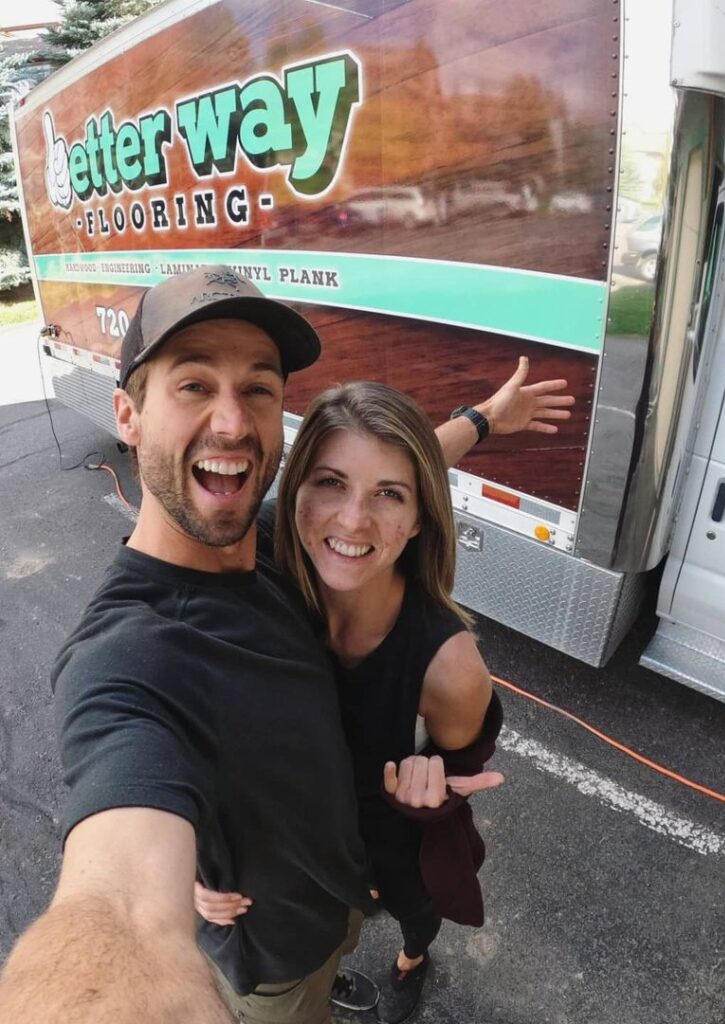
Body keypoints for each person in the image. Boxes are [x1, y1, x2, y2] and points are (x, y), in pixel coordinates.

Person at [0, 265, 574, 1024]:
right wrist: (167, 898)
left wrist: (485, 418)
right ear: (127, 415)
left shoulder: (273, 540)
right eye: (194, 385)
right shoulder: (134, 654)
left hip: (340, 895)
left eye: (259, 388)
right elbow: (123, 903)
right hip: (274, 958)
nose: (233, 423)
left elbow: (387, 468)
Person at [196, 382, 507, 1022]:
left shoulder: (449, 665)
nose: (352, 520)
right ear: (296, 493)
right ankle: (330, 970)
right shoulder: (262, 559)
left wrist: (434, 793)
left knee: (411, 910)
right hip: (292, 859)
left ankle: (416, 955)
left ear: (420, 516)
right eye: (329, 484)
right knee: (329, 940)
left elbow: (461, 764)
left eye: (388, 496)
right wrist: (185, 861)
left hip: (379, 837)